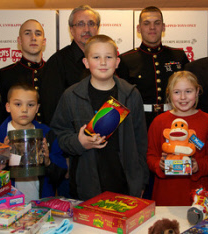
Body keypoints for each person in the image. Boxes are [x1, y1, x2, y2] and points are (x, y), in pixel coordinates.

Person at [51, 35, 148, 201]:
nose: (103, 62)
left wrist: (141, 182)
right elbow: (58, 135)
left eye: (108, 57)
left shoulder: (131, 94)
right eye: (96, 57)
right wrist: (78, 142)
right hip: (85, 185)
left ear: (117, 62)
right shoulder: (71, 95)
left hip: (125, 183)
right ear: (86, 63)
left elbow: (141, 142)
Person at [146, 71, 208, 206]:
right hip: (166, 192)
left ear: (197, 91)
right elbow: (151, 156)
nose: (183, 97)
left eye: (188, 91)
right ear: (169, 93)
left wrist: (198, 166)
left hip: (197, 193)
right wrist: (158, 164)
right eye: (177, 92)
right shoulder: (159, 121)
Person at [116, 6, 189, 128]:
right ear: (139, 28)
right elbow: (120, 98)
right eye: (146, 23)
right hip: (139, 122)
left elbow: (190, 90)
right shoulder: (126, 59)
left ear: (163, 27)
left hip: (175, 120)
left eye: (157, 23)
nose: (152, 27)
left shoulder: (178, 56)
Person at [0, 83, 64, 203]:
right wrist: (1, 159)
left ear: (37, 108)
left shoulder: (47, 134)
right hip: (5, 207)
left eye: (30, 105)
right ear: (8, 107)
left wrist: (48, 162)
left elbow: (60, 173)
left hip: (40, 204)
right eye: (18, 104)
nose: (24, 109)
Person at [41, 5, 100, 125]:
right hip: (70, 137)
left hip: (103, 132)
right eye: (80, 24)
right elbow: (51, 109)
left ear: (97, 28)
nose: (86, 29)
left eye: (91, 23)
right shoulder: (57, 62)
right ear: (71, 30)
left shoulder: (105, 60)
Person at [0, 19, 46, 123]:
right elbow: (1, 115)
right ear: (19, 41)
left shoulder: (55, 72)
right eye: (27, 33)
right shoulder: (4, 74)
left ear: (44, 41)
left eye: (38, 34)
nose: (33, 38)